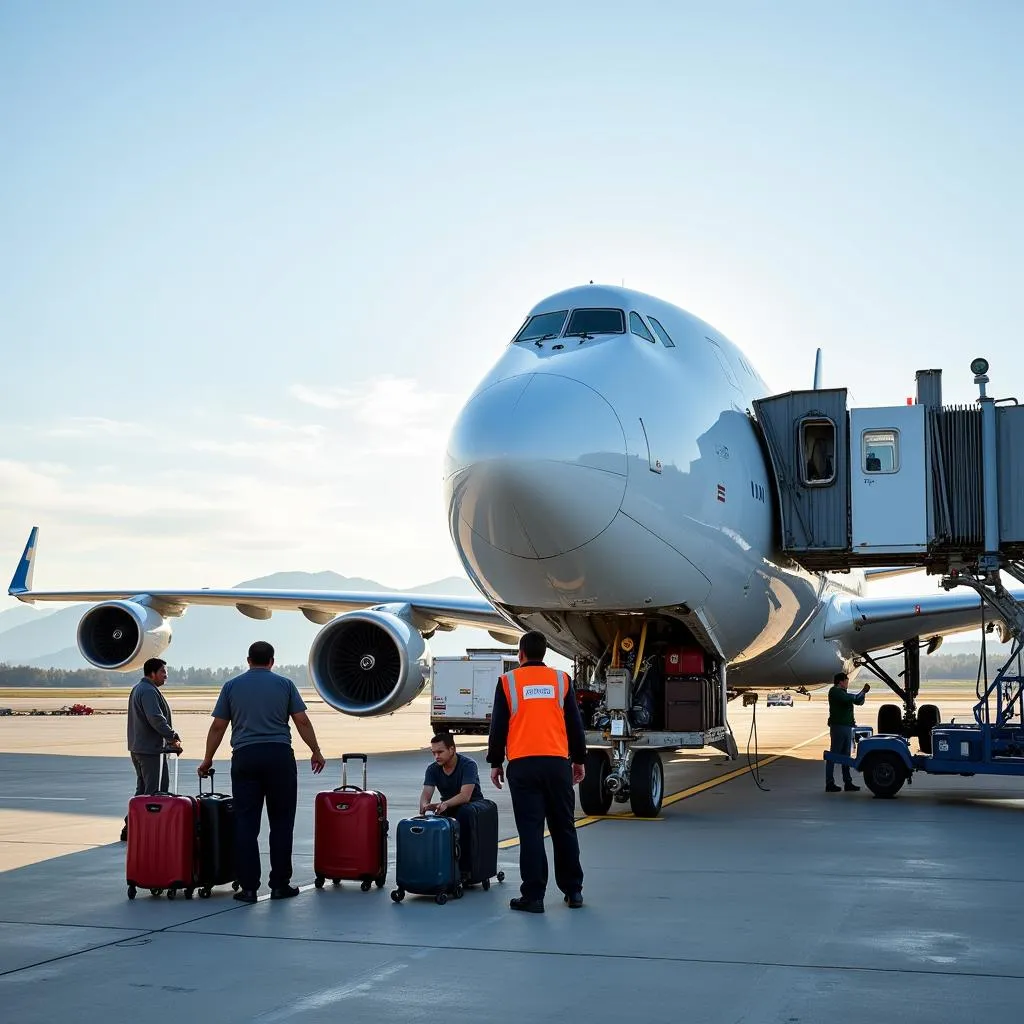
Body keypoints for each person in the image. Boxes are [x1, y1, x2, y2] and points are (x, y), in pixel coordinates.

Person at [198, 641, 326, 902]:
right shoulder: (285, 685)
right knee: (281, 823)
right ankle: (279, 884)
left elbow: (218, 727)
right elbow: (301, 720)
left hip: (245, 757)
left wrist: (207, 759)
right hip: (279, 756)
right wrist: (315, 750)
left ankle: (248, 887)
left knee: (245, 823)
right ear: (272, 661)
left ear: (248, 660)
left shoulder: (231, 686)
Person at [488, 630, 587, 913]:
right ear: (545, 653)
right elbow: (574, 725)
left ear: (520, 654)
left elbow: (498, 726)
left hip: (522, 766)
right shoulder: (561, 680)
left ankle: (534, 897)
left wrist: (495, 762)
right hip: (557, 764)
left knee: (531, 832)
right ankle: (574, 891)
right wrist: (578, 759)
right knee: (564, 828)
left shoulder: (507, 682)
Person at [122, 657, 181, 841]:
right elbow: (156, 718)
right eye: (163, 672)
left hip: (139, 747)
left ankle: (131, 827)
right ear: (152, 673)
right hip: (150, 750)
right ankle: (144, 829)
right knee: (155, 792)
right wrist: (172, 737)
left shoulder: (139, 688)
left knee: (143, 791)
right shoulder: (148, 691)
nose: (166, 676)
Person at [420, 731, 486, 875]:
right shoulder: (433, 769)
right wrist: (426, 806)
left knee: (464, 812)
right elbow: (426, 794)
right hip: (448, 804)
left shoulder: (468, 765)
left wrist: (445, 804)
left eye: (440, 752)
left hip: (472, 805)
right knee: (430, 821)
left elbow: (465, 796)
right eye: (433, 753)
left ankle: (465, 869)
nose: (436, 756)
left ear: (452, 749)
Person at [826, 671, 870, 793]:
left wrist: (863, 694)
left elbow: (859, 701)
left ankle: (848, 782)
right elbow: (854, 698)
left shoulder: (842, 692)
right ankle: (830, 783)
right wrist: (863, 692)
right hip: (839, 727)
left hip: (846, 727)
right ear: (840, 681)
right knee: (833, 755)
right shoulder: (835, 691)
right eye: (846, 681)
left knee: (846, 756)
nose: (847, 683)